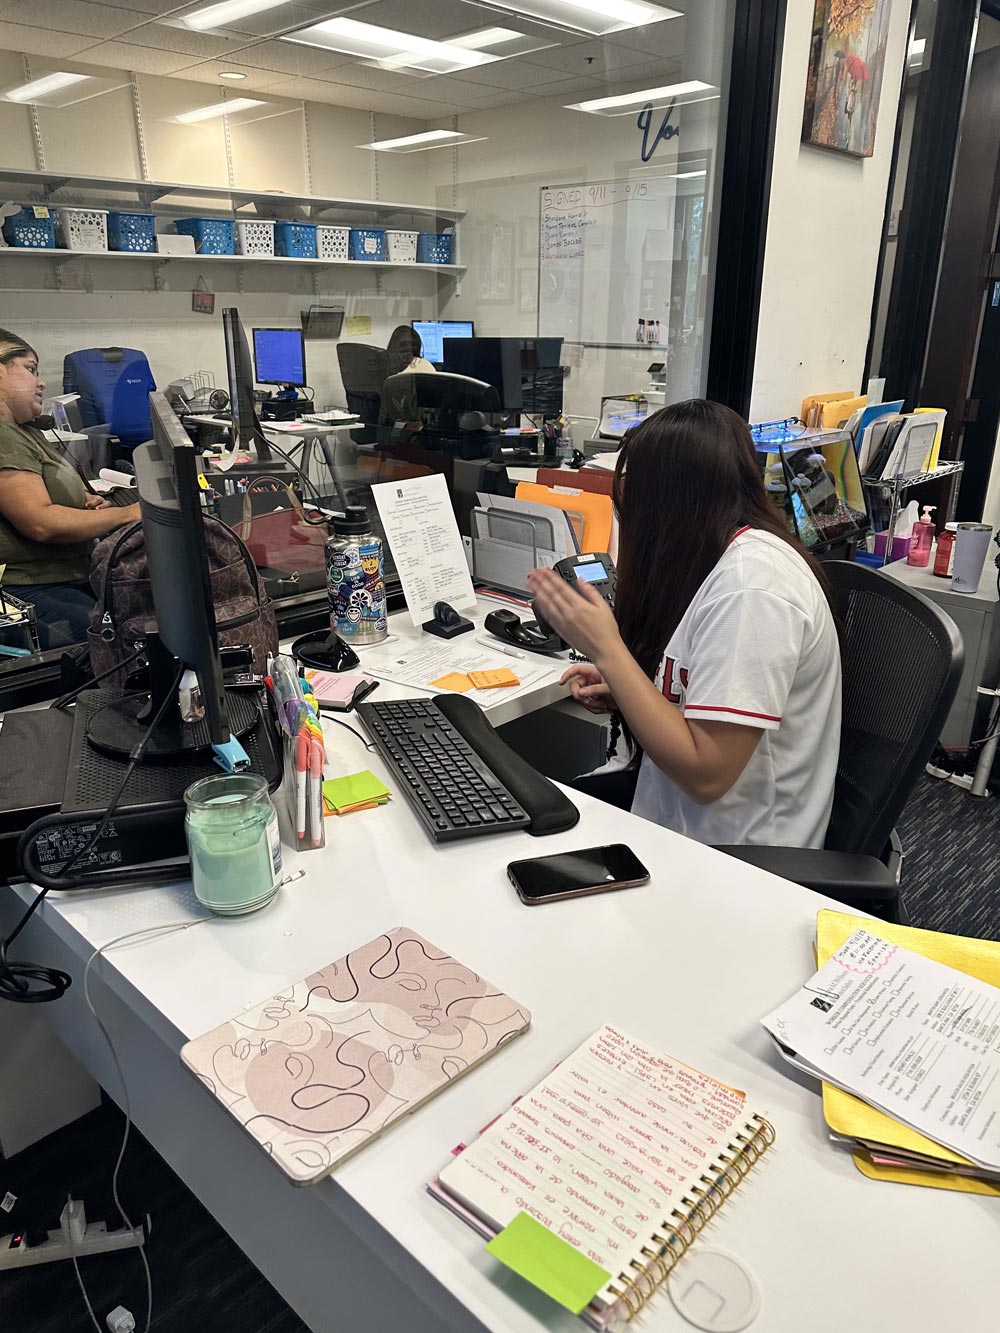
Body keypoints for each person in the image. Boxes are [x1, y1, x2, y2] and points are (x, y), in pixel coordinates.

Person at [527, 399, 842, 849]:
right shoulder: (721, 558)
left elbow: (706, 775)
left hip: (734, 860)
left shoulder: (753, 588)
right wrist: (629, 691)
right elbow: (702, 700)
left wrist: (609, 651)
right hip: (678, 826)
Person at [0, 329, 141, 650]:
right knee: (122, 642)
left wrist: (81, 501)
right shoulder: (3, 435)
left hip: (56, 578)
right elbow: (41, 523)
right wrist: (128, 514)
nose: (41, 382)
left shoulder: (23, 430)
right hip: (26, 587)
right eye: (30, 369)